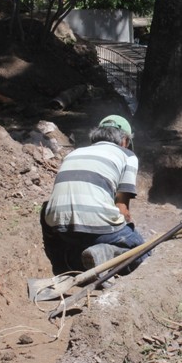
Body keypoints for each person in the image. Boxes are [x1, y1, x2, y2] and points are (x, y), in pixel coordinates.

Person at [40, 115, 148, 274]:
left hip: (59, 228)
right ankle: (109, 254)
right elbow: (121, 207)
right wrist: (130, 226)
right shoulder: (127, 155)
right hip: (98, 228)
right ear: (125, 141)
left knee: (46, 209)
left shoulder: (74, 153)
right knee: (144, 251)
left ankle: (63, 264)